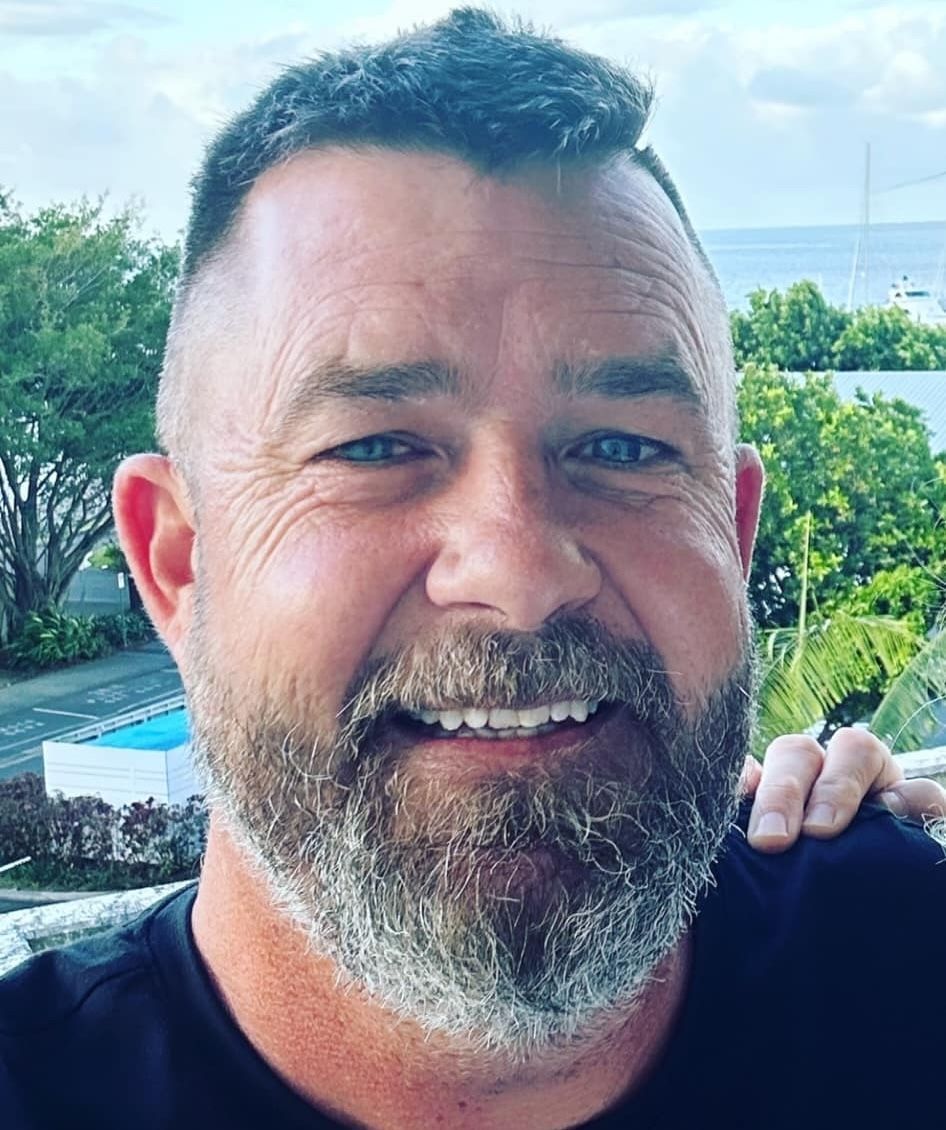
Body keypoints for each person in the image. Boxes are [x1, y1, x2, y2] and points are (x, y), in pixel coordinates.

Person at [1, 10, 945, 1129]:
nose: (517, 572)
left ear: (731, 538)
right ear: (175, 560)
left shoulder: (901, 969)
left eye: (622, 447)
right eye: (374, 446)